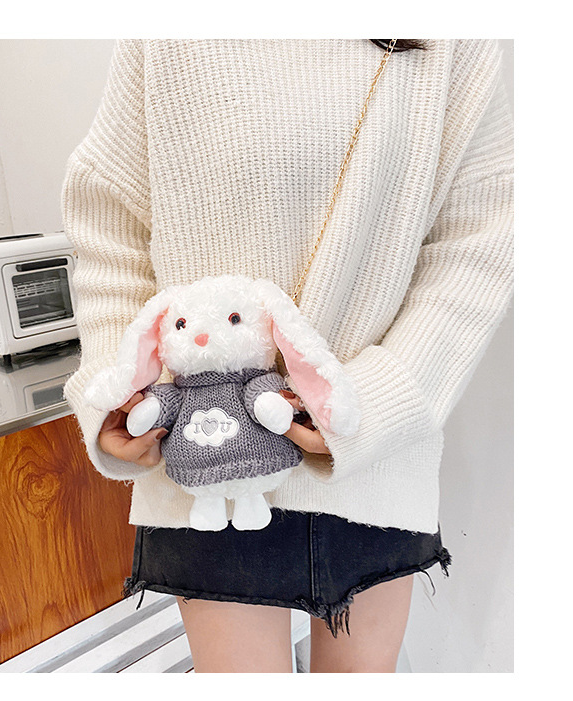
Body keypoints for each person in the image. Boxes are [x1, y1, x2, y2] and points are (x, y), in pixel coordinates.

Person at [62, 39, 513, 673]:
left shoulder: (449, 38)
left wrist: (370, 405)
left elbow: (478, 243)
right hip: (200, 463)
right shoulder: (164, 35)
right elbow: (111, 223)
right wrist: (116, 388)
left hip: (373, 460)